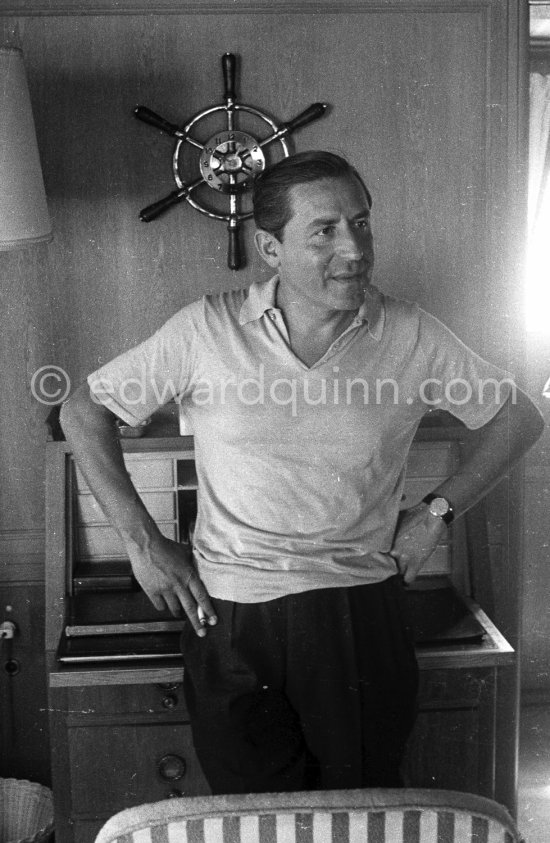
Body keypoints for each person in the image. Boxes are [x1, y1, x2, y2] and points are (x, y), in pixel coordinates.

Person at [60, 150, 543, 794]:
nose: (355, 248)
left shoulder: (411, 334)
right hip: (229, 614)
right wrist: (143, 544)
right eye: (325, 230)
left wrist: (435, 513)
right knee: (253, 821)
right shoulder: (207, 328)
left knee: (359, 814)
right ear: (271, 247)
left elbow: (520, 417)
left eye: (362, 223)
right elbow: (82, 410)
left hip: (358, 612)